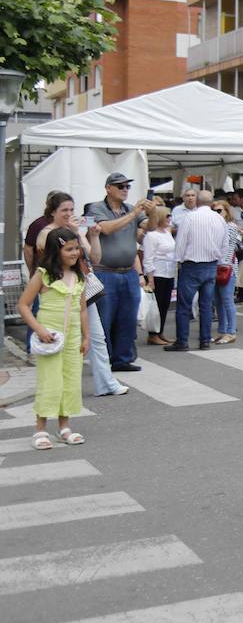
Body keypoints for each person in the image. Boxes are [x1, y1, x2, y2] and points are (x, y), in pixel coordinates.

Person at [36, 195, 126, 397]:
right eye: (64, 210)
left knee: (97, 336)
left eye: (71, 210)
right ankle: (56, 385)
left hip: (81, 288)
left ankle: (106, 383)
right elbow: (49, 262)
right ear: (53, 212)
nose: (69, 214)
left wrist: (91, 236)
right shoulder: (47, 234)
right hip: (59, 293)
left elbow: (95, 258)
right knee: (63, 338)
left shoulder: (74, 232)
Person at [19, 228, 90, 449]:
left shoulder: (79, 275)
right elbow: (23, 305)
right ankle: (40, 429)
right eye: (69, 249)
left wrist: (86, 337)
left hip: (72, 338)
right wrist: (39, 329)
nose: (75, 253)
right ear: (55, 251)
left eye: (76, 248)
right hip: (50, 337)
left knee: (70, 381)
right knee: (50, 381)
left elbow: (83, 309)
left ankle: (64, 427)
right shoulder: (43, 275)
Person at [87, 172, 154, 372]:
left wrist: (153, 212)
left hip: (128, 271)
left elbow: (149, 228)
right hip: (105, 271)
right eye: (120, 186)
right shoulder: (95, 208)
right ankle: (103, 359)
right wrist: (133, 214)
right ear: (108, 188)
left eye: (127, 186)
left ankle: (122, 359)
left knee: (127, 317)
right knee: (104, 318)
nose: (125, 189)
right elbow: (105, 229)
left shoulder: (129, 209)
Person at [167, 190, 224, 352]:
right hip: (211, 264)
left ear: (197, 201)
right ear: (211, 203)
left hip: (192, 265)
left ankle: (182, 341)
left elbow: (181, 242)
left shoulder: (189, 218)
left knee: (184, 305)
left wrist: (179, 260)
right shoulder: (219, 219)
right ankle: (204, 340)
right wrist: (219, 260)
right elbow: (224, 243)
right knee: (206, 305)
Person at [140, 208, 176, 346]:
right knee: (156, 305)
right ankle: (153, 333)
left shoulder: (167, 233)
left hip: (169, 272)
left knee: (165, 304)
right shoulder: (151, 236)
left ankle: (160, 331)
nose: (169, 218)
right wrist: (150, 278)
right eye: (167, 216)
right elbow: (148, 258)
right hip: (158, 273)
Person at [210, 200, 241, 345]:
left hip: (226, 267)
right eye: (214, 211)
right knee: (218, 301)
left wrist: (224, 266)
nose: (217, 214)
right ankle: (222, 330)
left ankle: (231, 331)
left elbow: (230, 248)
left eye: (219, 211)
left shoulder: (230, 226)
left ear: (227, 212)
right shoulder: (214, 225)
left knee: (227, 300)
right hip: (215, 266)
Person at [22, 191, 64, 275]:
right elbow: (28, 249)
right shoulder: (38, 224)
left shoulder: (68, 224)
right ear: (47, 204)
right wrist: (32, 271)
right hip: (44, 271)